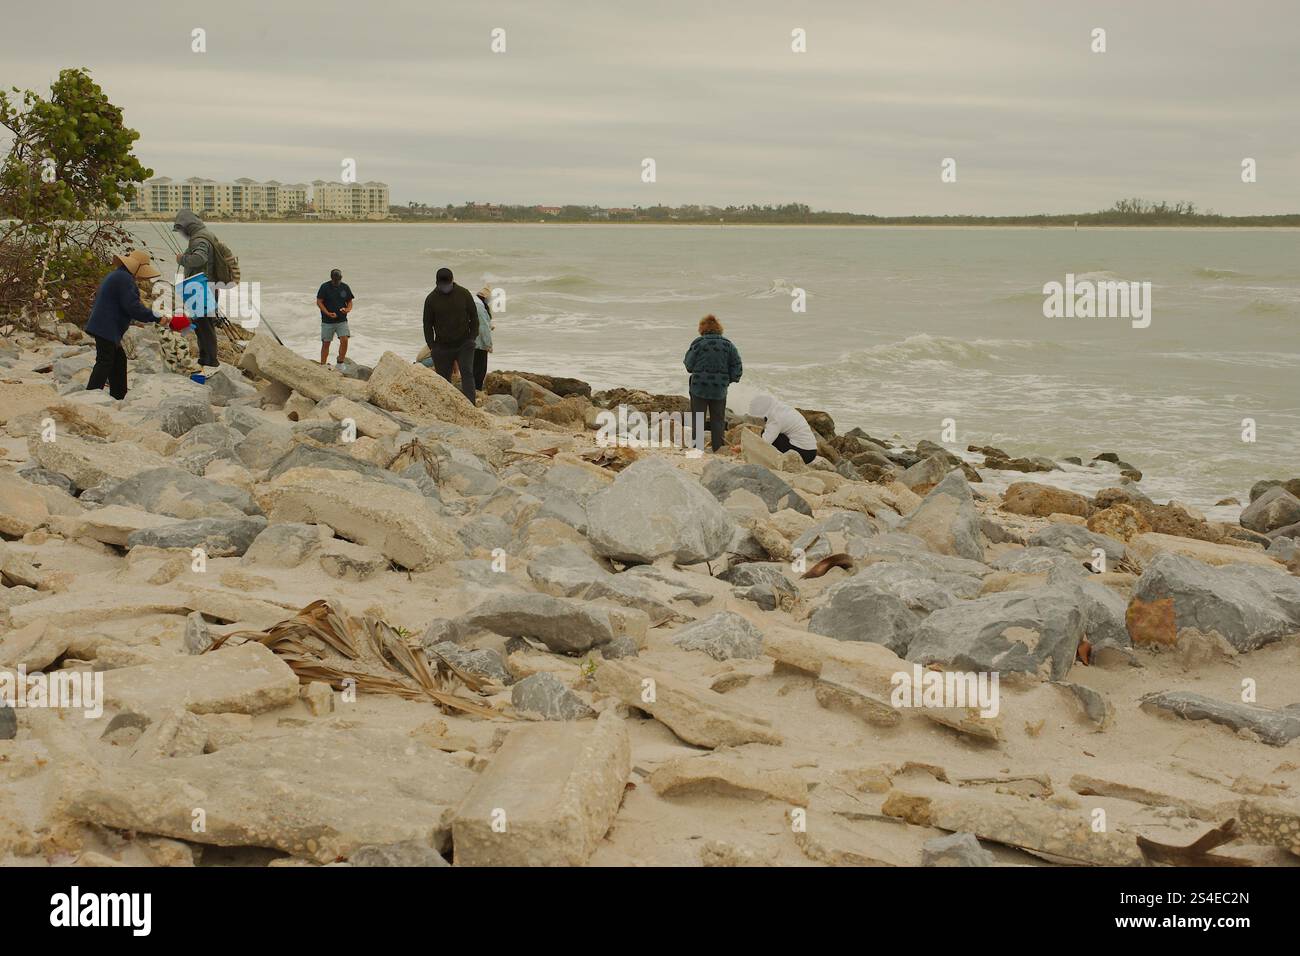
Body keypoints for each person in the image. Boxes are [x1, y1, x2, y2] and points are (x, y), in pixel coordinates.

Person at [85, 250, 164, 400]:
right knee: (105, 361)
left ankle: (118, 395)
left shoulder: (118, 275)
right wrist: (156, 317)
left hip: (104, 325)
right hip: (106, 327)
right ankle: (90, 394)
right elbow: (133, 307)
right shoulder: (124, 279)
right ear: (137, 268)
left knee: (118, 359)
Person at [172, 209, 224, 368]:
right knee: (203, 322)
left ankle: (210, 361)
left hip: (203, 286)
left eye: (181, 230)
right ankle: (205, 358)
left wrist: (182, 259)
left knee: (204, 324)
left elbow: (200, 258)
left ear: (188, 226)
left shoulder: (199, 239)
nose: (182, 234)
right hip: (207, 284)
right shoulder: (206, 234)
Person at [683, 314, 742, 452]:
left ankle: (697, 450)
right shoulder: (728, 345)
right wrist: (728, 380)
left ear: (702, 328)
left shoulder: (698, 343)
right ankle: (718, 448)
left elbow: (689, 365)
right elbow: (737, 367)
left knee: (698, 419)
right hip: (719, 389)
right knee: (718, 420)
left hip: (699, 387)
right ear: (719, 329)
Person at [422, 266, 479, 404]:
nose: (445, 287)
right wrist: (432, 346)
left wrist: (472, 338)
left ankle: (470, 406)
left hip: (464, 343)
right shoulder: (431, 299)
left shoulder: (464, 294)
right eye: (442, 285)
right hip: (442, 347)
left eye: (447, 284)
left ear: (453, 280)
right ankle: (445, 407)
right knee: (443, 379)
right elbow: (427, 324)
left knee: (467, 373)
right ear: (437, 283)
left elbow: (474, 317)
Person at [749, 392, 818, 464]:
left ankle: (775, 461)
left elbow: (765, 443)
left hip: (804, 453)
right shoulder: (781, 407)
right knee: (771, 433)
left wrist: (744, 447)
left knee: (769, 436)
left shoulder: (775, 418)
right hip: (811, 450)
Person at [316, 268, 354, 364]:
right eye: (335, 280)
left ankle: (340, 362)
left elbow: (349, 301)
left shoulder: (345, 287)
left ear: (341, 278)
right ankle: (323, 364)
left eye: (338, 279)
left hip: (342, 320)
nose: (336, 281)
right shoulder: (324, 287)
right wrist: (327, 313)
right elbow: (319, 302)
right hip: (327, 321)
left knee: (344, 340)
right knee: (326, 343)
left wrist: (347, 310)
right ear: (331, 278)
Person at [472, 285, 495, 391]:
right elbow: (483, 327)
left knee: (472, 368)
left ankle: (473, 390)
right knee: (480, 370)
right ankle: (477, 391)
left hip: (469, 341)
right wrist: (488, 345)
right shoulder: (480, 306)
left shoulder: (474, 302)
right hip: (478, 344)